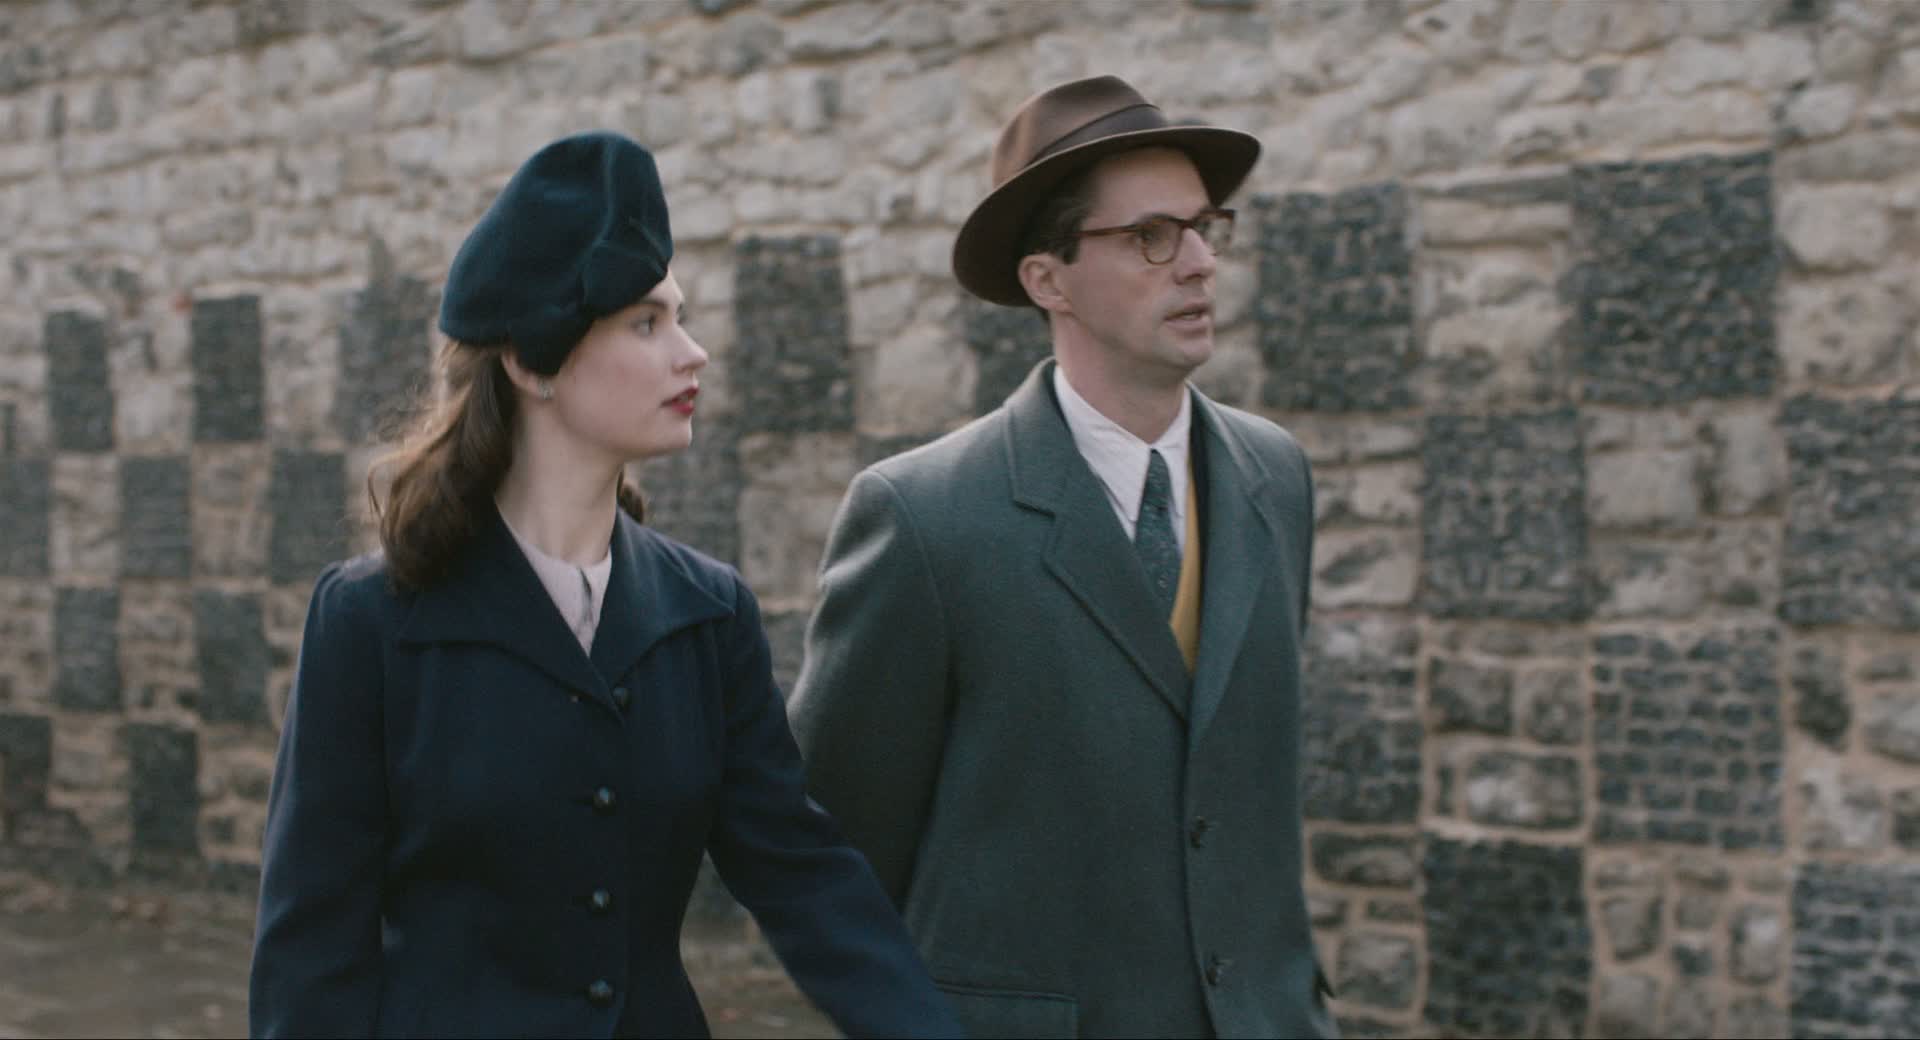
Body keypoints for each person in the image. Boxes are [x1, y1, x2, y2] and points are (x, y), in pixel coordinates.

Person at [248, 131, 963, 1039]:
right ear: (531, 361)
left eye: (680, 318)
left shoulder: (709, 614)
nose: (693, 353)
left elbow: (800, 872)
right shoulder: (370, 623)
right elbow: (310, 952)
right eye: (646, 323)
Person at [788, 76, 1339, 1039]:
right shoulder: (922, 517)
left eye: (1206, 227)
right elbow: (832, 840)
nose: (1199, 263)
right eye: (1151, 236)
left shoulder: (1275, 476)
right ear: (1048, 281)